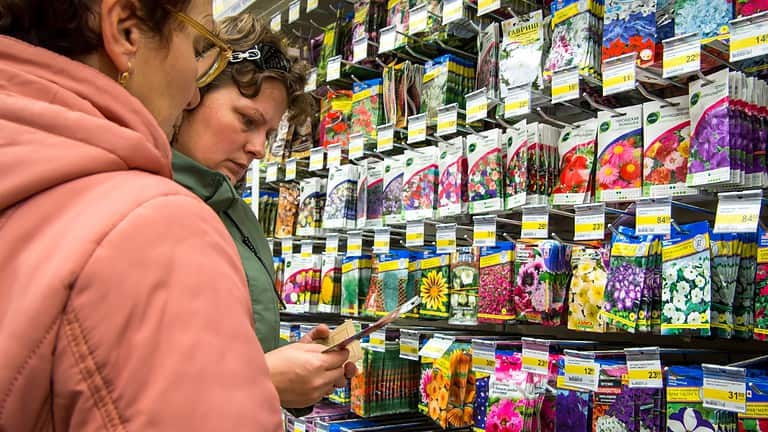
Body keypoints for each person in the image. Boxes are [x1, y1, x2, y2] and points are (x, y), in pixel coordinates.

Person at [0, 0, 311, 430]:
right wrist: (265, 378)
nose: (193, 89)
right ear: (126, 31)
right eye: (198, 45)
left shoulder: (31, 171)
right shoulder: (154, 227)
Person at [172, 13, 355, 410]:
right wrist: (263, 379)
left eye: (269, 133)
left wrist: (295, 368)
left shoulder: (238, 215)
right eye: (247, 120)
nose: (259, 147)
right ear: (191, 91)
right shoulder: (139, 203)